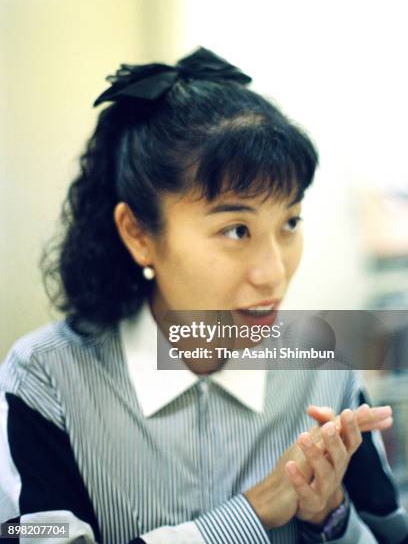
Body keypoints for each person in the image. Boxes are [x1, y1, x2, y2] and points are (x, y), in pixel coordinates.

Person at [0, 47, 407, 544]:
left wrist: (330, 515)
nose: (274, 273)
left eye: (290, 223)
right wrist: (251, 515)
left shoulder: (320, 367)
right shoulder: (47, 378)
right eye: (236, 230)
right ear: (138, 233)